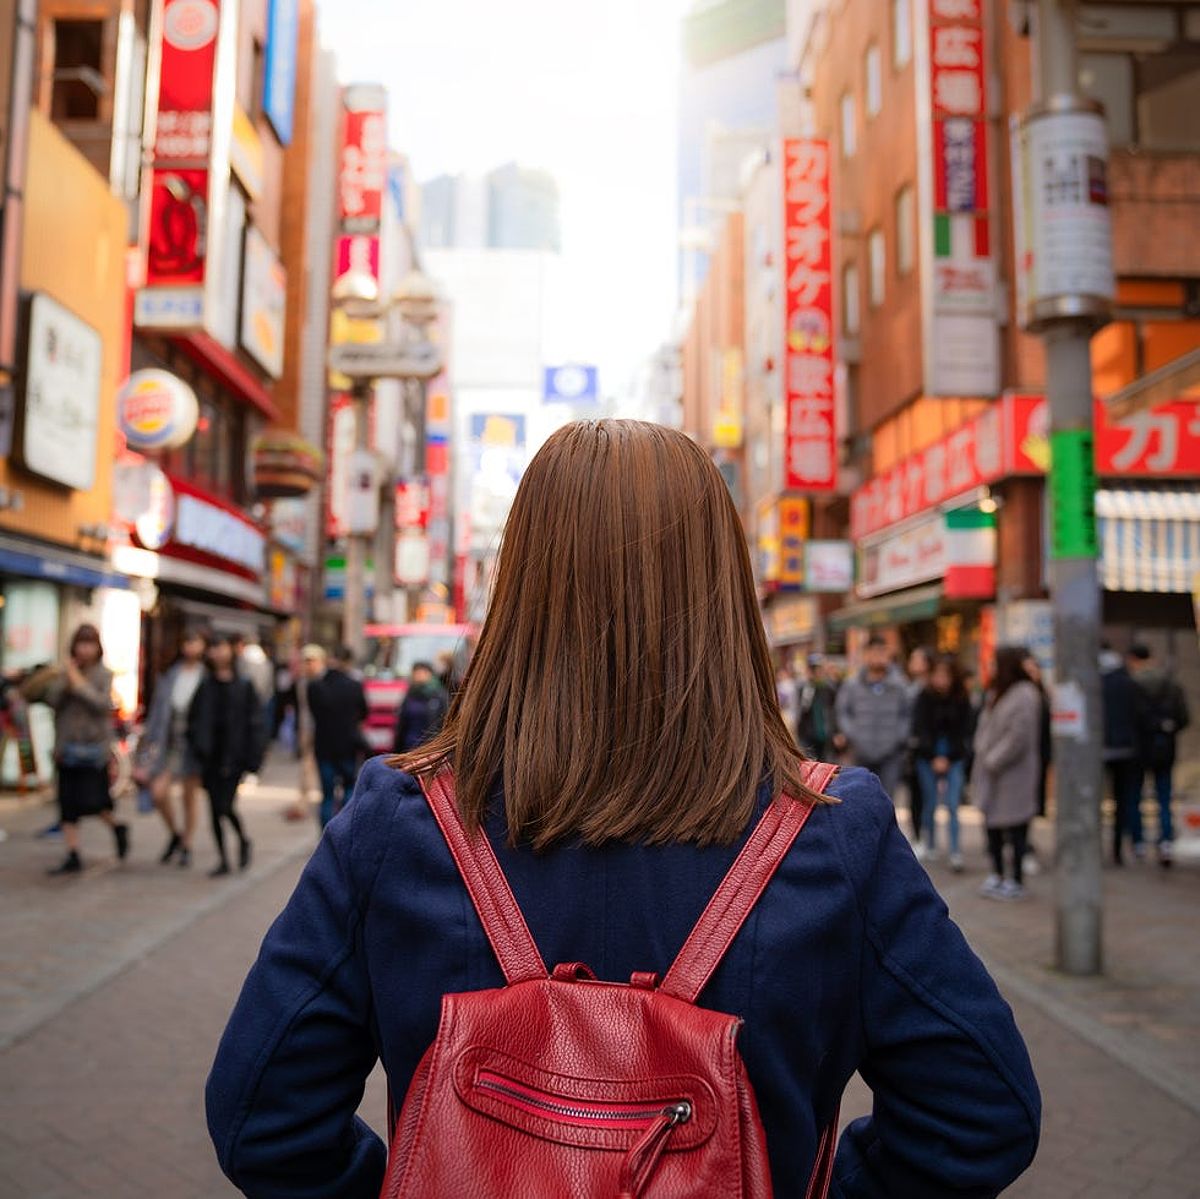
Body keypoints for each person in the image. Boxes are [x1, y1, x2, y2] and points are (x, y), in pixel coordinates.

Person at [208, 421, 1039, 1197]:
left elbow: (263, 1117)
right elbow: (980, 1113)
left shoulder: (402, 819)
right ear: (723, 590)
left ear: (520, 587)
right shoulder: (830, 829)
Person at [28, 624, 129, 875]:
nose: (84, 649)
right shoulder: (66, 672)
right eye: (81, 644)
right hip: (67, 747)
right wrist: (66, 679)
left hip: (93, 749)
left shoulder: (103, 675)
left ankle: (117, 827)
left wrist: (79, 683)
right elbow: (52, 700)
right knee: (67, 804)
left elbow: (101, 704)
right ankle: (73, 853)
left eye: (89, 644)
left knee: (94, 802)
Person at [189, 635, 264, 877]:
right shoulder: (206, 685)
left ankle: (243, 840)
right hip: (210, 756)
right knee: (213, 809)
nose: (217, 653)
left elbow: (256, 723)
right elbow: (194, 719)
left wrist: (254, 757)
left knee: (225, 806)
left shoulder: (244, 684)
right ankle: (223, 858)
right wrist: (198, 747)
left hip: (235, 757)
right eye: (213, 649)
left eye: (220, 647)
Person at [972, 646, 1043, 900]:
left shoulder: (1025, 694)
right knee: (992, 824)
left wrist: (993, 759)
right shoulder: (996, 692)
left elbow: (1018, 736)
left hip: (1014, 772)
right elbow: (983, 726)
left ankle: (1016, 879)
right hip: (991, 771)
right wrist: (982, 751)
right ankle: (998, 873)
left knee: (1016, 826)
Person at [136, 627, 207, 868]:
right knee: (159, 793)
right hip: (169, 742)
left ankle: (186, 843)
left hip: (193, 744)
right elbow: (157, 711)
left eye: (195, 641)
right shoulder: (170, 674)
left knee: (190, 796)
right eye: (187, 641)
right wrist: (149, 741)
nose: (190, 647)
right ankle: (175, 834)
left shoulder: (205, 677)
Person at [1127, 643, 1190, 868]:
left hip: (1138, 750)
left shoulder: (1131, 685)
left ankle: (1138, 842)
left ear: (1133, 658)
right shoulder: (1171, 684)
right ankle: (1165, 842)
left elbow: (1128, 718)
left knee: (1135, 796)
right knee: (1164, 797)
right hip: (1165, 748)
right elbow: (1184, 718)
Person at [910, 653, 973, 870]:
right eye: (937, 675)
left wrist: (949, 756)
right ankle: (930, 844)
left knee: (953, 804)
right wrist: (933, 756)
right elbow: (920, 729)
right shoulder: (923, 697)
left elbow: (965, 731)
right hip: (927, 757)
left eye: (945, 675)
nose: (941, 680)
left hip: (954, 756)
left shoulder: (962, 698)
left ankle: (956, 851)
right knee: (930, 803)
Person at [833, 634, 911, 798]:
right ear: (866, 654)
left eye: (882, 652)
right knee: (860, 799)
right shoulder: (852, 685)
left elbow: (907, 714)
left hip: (890, 754)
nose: (878, 657)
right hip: (860, 752)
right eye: (874, 652)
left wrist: (899, 737)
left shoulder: (899, 685)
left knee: (887, 800)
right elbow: (842, 711)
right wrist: (853, 734)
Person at [304, 644, 368, 829]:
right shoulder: (354, 686)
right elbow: (363, 712)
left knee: (327, 795)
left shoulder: (314, 686)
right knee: (349, 788)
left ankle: (326, 835)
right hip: (348, 746)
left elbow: (313, 714)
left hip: (323, 746)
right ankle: (346, 829)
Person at [1100, 645, 1144, 865]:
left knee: (1095, 802)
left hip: (1099, 751)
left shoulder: (1095, 683)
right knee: (1123, 801)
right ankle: (1118, 848)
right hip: (1126, 750)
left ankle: (1095, 847)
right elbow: (1139, 717)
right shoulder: (1128, 684)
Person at [902, 646, 933, 844]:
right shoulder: (908, 686)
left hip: (927, 748)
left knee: (927, 795)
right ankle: (918, 835)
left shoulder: (930, 689)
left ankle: (928, 837)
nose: (913, 663)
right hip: (911, 749)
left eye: (917, 659)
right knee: (915, 795)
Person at [393, 661, 450, 753]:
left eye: (422, 672)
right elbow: (402, 721)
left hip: (430, 747)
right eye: (416, 672)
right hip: (408, 746)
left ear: (430, 674)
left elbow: (445, 721)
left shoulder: (440, 695)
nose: (419, 675)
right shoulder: (410, 694)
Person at [796, 654, 838, 760]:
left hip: (826, 735)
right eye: (814, 669)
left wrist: (836, 731)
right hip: (809, 736)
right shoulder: (804, 688)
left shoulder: (829, 688)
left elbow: (835, 710)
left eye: (819, 669)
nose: (817, 673)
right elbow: (802, 711)